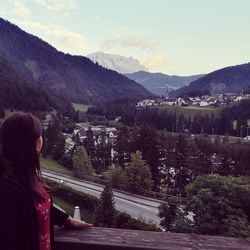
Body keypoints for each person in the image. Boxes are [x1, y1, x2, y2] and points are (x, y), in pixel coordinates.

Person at [0, 112, 92, 250]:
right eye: (41, 135)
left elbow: (38, 206)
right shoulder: (8, 192)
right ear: (37, 143)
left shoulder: (24, 176)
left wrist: (66, 220)